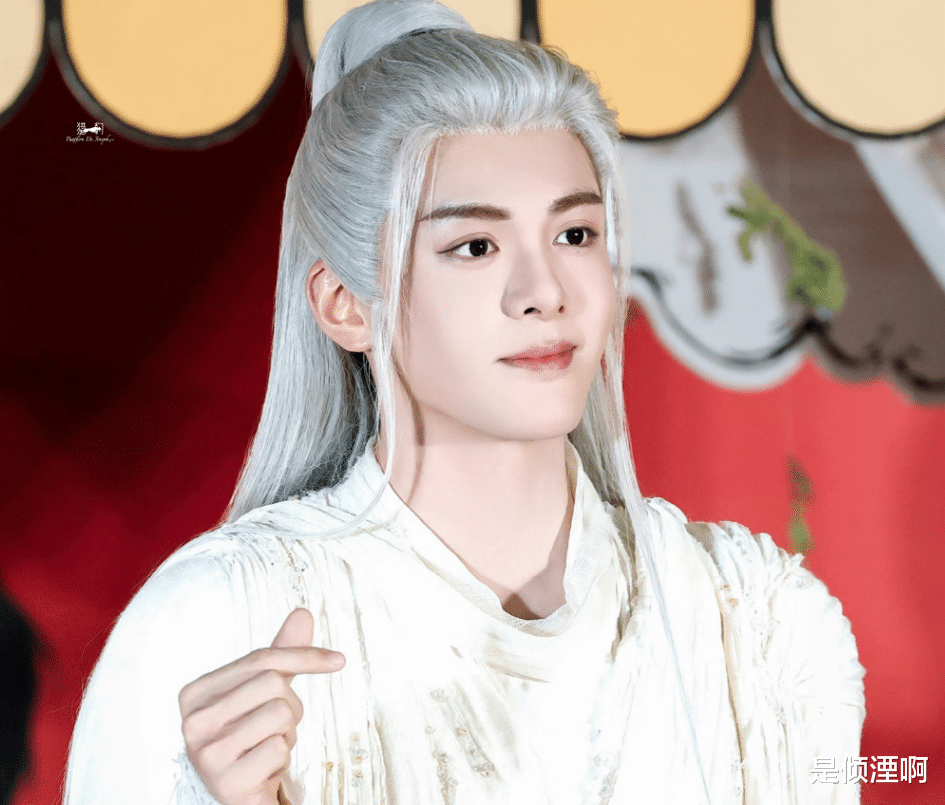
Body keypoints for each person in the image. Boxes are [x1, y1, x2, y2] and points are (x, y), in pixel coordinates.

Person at [64, 1, 865, 803]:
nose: (543, 291)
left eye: (575, 234)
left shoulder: (758, 622)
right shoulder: (221, 625)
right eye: (474, 246)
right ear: (345, 304)